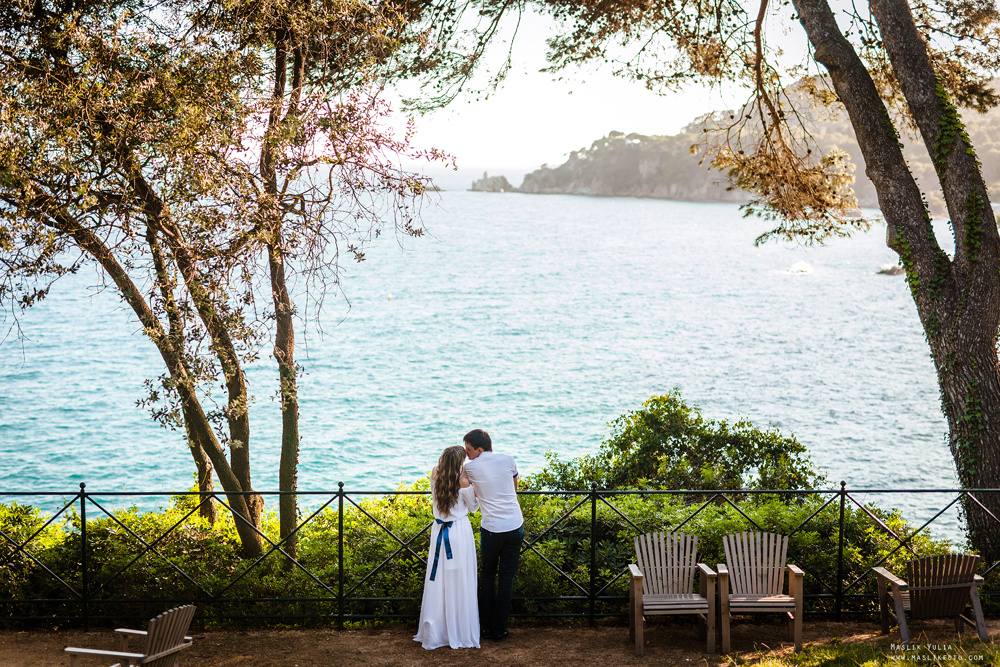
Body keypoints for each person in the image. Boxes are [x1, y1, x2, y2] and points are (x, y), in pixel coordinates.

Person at [413, 445, 481, 650]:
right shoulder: (463, 481)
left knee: (440, 579)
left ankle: (438, 629)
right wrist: (471, 486)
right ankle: (458, 629)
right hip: (459, 531)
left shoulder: (435, 475)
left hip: (439, 531)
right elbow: (473, 507)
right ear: (460, 463)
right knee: (459, 579)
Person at [463, 428, 524, 642]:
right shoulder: (508, 460)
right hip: (515, 525)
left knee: (487, 576)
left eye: (469, 449)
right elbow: (514, 489)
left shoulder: (470, 469)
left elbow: (463, 488)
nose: (466, 453)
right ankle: (499, 629)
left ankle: (484, 626)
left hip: (491, 529)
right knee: (506, 578)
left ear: (480, 449)